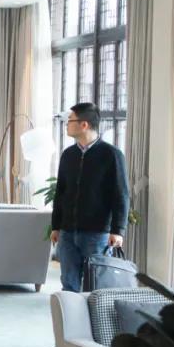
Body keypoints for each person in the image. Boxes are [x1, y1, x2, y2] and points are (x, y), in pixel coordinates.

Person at [51, 102, 130, 292]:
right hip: (68, 232)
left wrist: (118, 230)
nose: (67, 125)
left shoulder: (111, 155)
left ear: (84, 124)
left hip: (97, 233)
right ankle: (71, 312)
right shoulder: (68, 155)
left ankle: (94, 313)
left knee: (96, 285)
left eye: (70, 120)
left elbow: (121, 194)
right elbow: (60, 192)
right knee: (68, 283)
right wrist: (56, 226)